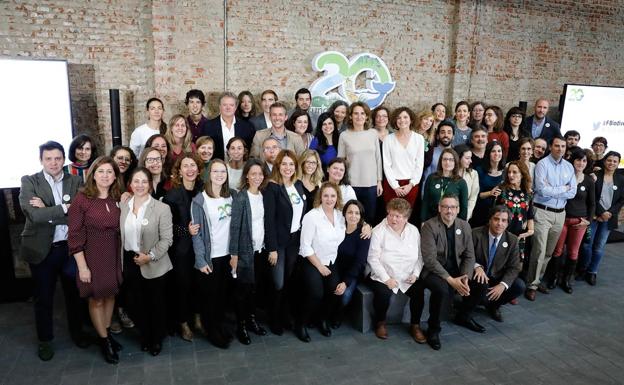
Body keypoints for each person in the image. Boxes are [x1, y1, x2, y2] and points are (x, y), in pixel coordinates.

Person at [19, 141, 87, 361]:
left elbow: (79, 215)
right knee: (44, 298)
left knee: (74, 295)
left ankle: (78, 333)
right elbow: (34, 216)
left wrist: (49, 210)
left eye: (58, 158)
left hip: (69, 249)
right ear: (41, 160)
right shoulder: (29, 182)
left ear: (63, 159)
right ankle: (45, 341)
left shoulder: (75, 180)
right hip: (42, 250)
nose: (54, 163)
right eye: (48, 158)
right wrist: (65, 209)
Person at [68, 156, 123, 364]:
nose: (105, 175)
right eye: (101, 171)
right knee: (97, 298)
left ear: (115, 175)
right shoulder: (82, 200)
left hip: (113, 253)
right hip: (92, 254)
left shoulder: (117, 196)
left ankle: (106, 332)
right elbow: (74, 236)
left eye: (109, 172)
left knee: (110, 295)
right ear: (93, 174)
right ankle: (103, 341)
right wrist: (82, 267)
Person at [119, 167, 173, 356]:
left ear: (150, 184)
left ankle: (156, 338)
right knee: (135, 303)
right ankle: (145, 334)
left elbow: (167, 239)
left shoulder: (161, 208)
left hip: (154, 261)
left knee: (156, 303)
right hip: (129, 260)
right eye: (136, 181)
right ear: (130, 184)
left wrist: (149, 256)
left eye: (144, 181)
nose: (140, 185)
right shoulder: (123, 205)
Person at [416, 194, 475, 350]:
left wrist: (465, 277)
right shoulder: (429, 226)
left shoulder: (464, 226)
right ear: (439, 208)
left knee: (480, 284)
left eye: (453, 207)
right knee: (441, 290)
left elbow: (469, 255)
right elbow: (429, 260)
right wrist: (451, 280)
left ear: (458, 209)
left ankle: (464, 315)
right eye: (445, 207)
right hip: (433, 272)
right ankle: (433, 329)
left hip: (457, 270)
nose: (449, 211)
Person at [525, 135, 576, 301]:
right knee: (539, 250)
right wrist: (563, 188)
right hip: (542, 212)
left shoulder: (569, 167)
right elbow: (541, 189)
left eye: (563, 146)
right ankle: (531, 285)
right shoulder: (542, 164)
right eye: (557, 146)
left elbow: (572, 192)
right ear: (550, 147)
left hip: (560, 213)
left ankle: (538, 279)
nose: (560, 149)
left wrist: (553, 188)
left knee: (548, 251)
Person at [190, 159, 234, 349]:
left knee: (224, 295)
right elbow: (196, 234)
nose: (219, 175)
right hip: (211, 257)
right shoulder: (200, 201)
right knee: (210, 297)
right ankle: (212, 331)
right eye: (215, 171)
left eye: (223, 172)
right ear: (209, 174)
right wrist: (200, 260)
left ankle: (223, 327)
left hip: (228, 255)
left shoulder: (232, 196)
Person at [263, 150, 307, 335]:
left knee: (289, 281)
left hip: (294, 241)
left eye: (291, 164)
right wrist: (272, 248)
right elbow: (269, 220)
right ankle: (274, 318)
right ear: (278, 166)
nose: (288, 168)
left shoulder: (298, 184)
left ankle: (284, 315)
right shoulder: (272, 188)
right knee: (278, 282)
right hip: (279, 243)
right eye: (284, 164)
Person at [296, 182, 346, 342]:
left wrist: (366, 226)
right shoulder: (312, 216)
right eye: (326, 195)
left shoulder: (340, 216)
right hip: (312, 261)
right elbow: (305, 246)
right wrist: (319, 266)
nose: (329, 199)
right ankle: (301, 323)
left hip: (331, 260)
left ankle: (321, 319)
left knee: (334, 291)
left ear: (337, 197)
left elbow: (355, 223)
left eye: (332, 195)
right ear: (320, 197)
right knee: (316, 293)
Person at [367, 198, 423, 341]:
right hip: (383, 275)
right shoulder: (379, 231)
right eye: (390, 214)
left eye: (398, 216)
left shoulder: (414, 231)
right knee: (383, 295)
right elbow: (373, 258)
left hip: (407, 275)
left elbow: (420, 256)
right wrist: (386, 279)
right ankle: (380, 323)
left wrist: (416, 274)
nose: (393, 219)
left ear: (406, 218)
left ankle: (415, 326)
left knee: (419, 292)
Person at [162, 153, 204, 342]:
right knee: (183, 286)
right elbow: (167, 226)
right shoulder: (172, 195)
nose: (190, 170)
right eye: (185, 166)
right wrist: (184, 230)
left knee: (199, 283)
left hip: (201, 247)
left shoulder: (203, 190)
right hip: (182, 249)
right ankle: (183, 322)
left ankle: (197, 317)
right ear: (179, 171)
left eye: (193, 165)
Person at [229, 159, 270, 345]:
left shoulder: (263, 195)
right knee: (241, 291)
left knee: (254, 289)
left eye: (260, 174)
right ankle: (241, 325)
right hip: (244, 252)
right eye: (253, 174)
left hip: (260, 250)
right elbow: (235, 227)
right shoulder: (241, 197)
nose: (257, 177)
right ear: (247, 175)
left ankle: (252, 320)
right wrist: (234, 255)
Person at [463, 206, 525, 324]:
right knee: (481, 283)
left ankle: (493, 306)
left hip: (496, 277)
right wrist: (476, 266)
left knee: (519, 286)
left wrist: (502, 285)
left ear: (507, 223)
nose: (499, 224)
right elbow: (465, 255)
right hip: (477, 277)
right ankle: (466, 311)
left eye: (503, 220)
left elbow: (514, 267)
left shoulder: (512, 240)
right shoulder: (475, 234)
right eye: (496, 219)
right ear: (490, 220)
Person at [546, 148, 594, 293]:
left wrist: (589, 221)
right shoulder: (564, 176)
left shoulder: (589, 180)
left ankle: (566, 280)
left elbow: (592, 204)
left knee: (573, 252)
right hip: (562, 218)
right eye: (578, 159)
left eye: (584, 160)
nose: (581, 163)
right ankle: (553, 277)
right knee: (557, 250)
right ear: (572, 161)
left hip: (580, 221)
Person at [579, 151, 624, 285]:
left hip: (609, 218)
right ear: (604, 161)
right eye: (609, 160)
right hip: (593, 216)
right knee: (587, 245)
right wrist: (600, 212)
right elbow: (591, 197)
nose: (611, 163)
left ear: (618, 163)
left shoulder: (621, 179)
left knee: (599, 247)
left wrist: (609, 213)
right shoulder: (595, 176)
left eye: (615, 161)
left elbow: (621, 200)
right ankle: (583, 269)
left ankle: (592, 271)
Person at [337, 102, 383, 224]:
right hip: (352, 185)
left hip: (371, 185)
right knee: (351, 220)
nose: (359, 116)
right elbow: (340, 161)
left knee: (369, 219)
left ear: (367, 116)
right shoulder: (344, 135)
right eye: (356, 113)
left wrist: (379, 181)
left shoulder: (373, 133)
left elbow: (378, 158)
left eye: (363, 113)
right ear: (350, 116)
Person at [495, 161, 534, 275]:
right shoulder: (502, 190)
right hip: (502, 234)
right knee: (499, 265)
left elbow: (530, 214)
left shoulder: (528, 193)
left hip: (519, 236)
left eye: (514, 172)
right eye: (509, 172)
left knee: (517, 267)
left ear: (522, 174)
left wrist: (530, 232)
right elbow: (494, 214)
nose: (510, 175)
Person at [382, 107, 425, 207]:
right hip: (391, 185)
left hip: (410, 185)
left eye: (405, 117)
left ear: (411, 120)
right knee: (392, 216)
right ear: (395, 121)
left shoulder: (419, 139)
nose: (402, 120)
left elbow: (419, 164)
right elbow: (387, 165)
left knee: (406, 217)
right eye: (399, 118)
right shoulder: (388, 139)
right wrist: (395, 186)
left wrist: (411, 184)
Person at [334, 200, 370, 317]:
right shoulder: (338, 229)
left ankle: (338, 315)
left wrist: (345, 282)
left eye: (357, 213)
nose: (353, 216)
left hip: (353, 273)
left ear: (361, 216)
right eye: (350, 212)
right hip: (336, 269)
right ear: (344, 214)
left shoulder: (363, 235)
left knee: (344, 296)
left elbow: (359, 262)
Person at [201, 91, 255, 161]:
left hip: (240, 168)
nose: (228, 108)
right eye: (225, 105)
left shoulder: (247, 127)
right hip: (216, 168)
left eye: (231, 105)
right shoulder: (208, 126)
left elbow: (249, 150)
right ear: (219, 106)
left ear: (235, 107)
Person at [421, 148, 468, 222]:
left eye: (451, 160)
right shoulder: (431, 178)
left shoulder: (461, 182)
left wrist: (460, 225)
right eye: (445, 159)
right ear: (441, 161)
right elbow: (425, 201)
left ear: (455, 162)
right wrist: (423, 221)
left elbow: (464, 207)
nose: (447, 162)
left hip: (451, 221)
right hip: (431, 220)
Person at [471, 141, 505, 228]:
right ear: (488, 153)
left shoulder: (505, 172)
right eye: (493, 151)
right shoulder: (479, 170)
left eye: (499, 151)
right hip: (481, 211)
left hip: (499, 214)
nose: (497, 154)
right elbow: (476, 194)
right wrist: (490, 193)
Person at [455, 144, 479, 220]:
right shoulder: (449, 173)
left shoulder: (473, 174)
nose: (470, 161)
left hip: (465, 215)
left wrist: (466, 216)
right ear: (458, 158)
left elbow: (473, 198)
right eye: (467, 158)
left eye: (470, 158)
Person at [298, 149, 324, 214]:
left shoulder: (319, 184)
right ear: (302, 163)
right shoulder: (295, 182)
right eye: (308, 162)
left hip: (312, 221)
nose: (310, 165)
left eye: (313, 163)